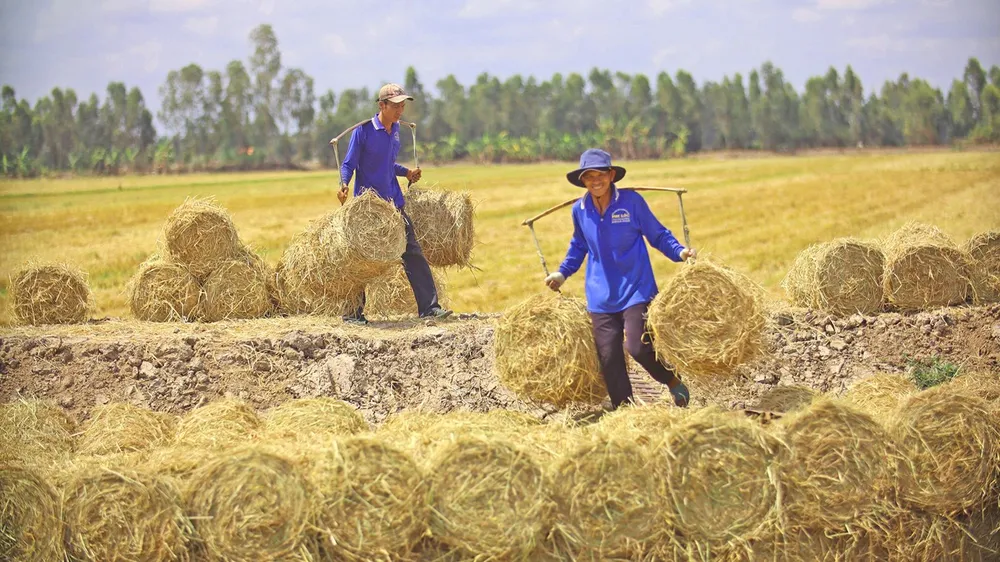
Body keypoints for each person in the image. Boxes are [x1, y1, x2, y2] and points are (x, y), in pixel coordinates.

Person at [544, 148, 693, 409]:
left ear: (611, 175)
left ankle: (671, 381)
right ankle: (625, 412)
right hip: (600, 296)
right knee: (610, 356)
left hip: (636, 289)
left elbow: (657, 235)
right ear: (583, 181)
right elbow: (579, 245)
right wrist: (562, 272)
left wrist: (680, 252)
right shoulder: (580, 210)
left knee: (636, 347)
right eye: (589, 177)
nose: (595, 181)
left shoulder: (632, 202)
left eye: (600, 174)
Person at [338, 83, 452, 325]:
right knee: (363, 258)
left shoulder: (397, 130)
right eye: (396, 105)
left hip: (394, 203)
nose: (401, 110)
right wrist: (344, 184)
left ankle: (430, 309)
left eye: (403, 105)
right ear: (382, 105)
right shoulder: (364, 132)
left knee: (413, 253)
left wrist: (406, 172)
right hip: (369, 208)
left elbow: (387, 164)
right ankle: (353, 313)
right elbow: (349, 163)